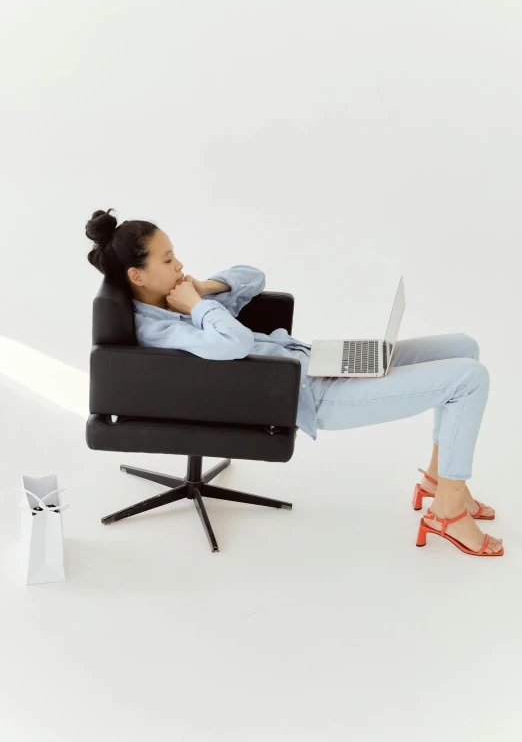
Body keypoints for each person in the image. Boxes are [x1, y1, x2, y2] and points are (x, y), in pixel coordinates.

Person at [86, 208, 503, 557]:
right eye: (167, 260)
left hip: (312, 361)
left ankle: (438, 479)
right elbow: (234, 343)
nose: (179, 265)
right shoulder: (162, 329)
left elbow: (254, 277)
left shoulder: (178, 296)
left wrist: (203, 288)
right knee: (469, 379)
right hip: (313, 395)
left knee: (464, 348)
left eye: (175, 254)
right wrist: (198, 307)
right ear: (136, 276)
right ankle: (447, 511)